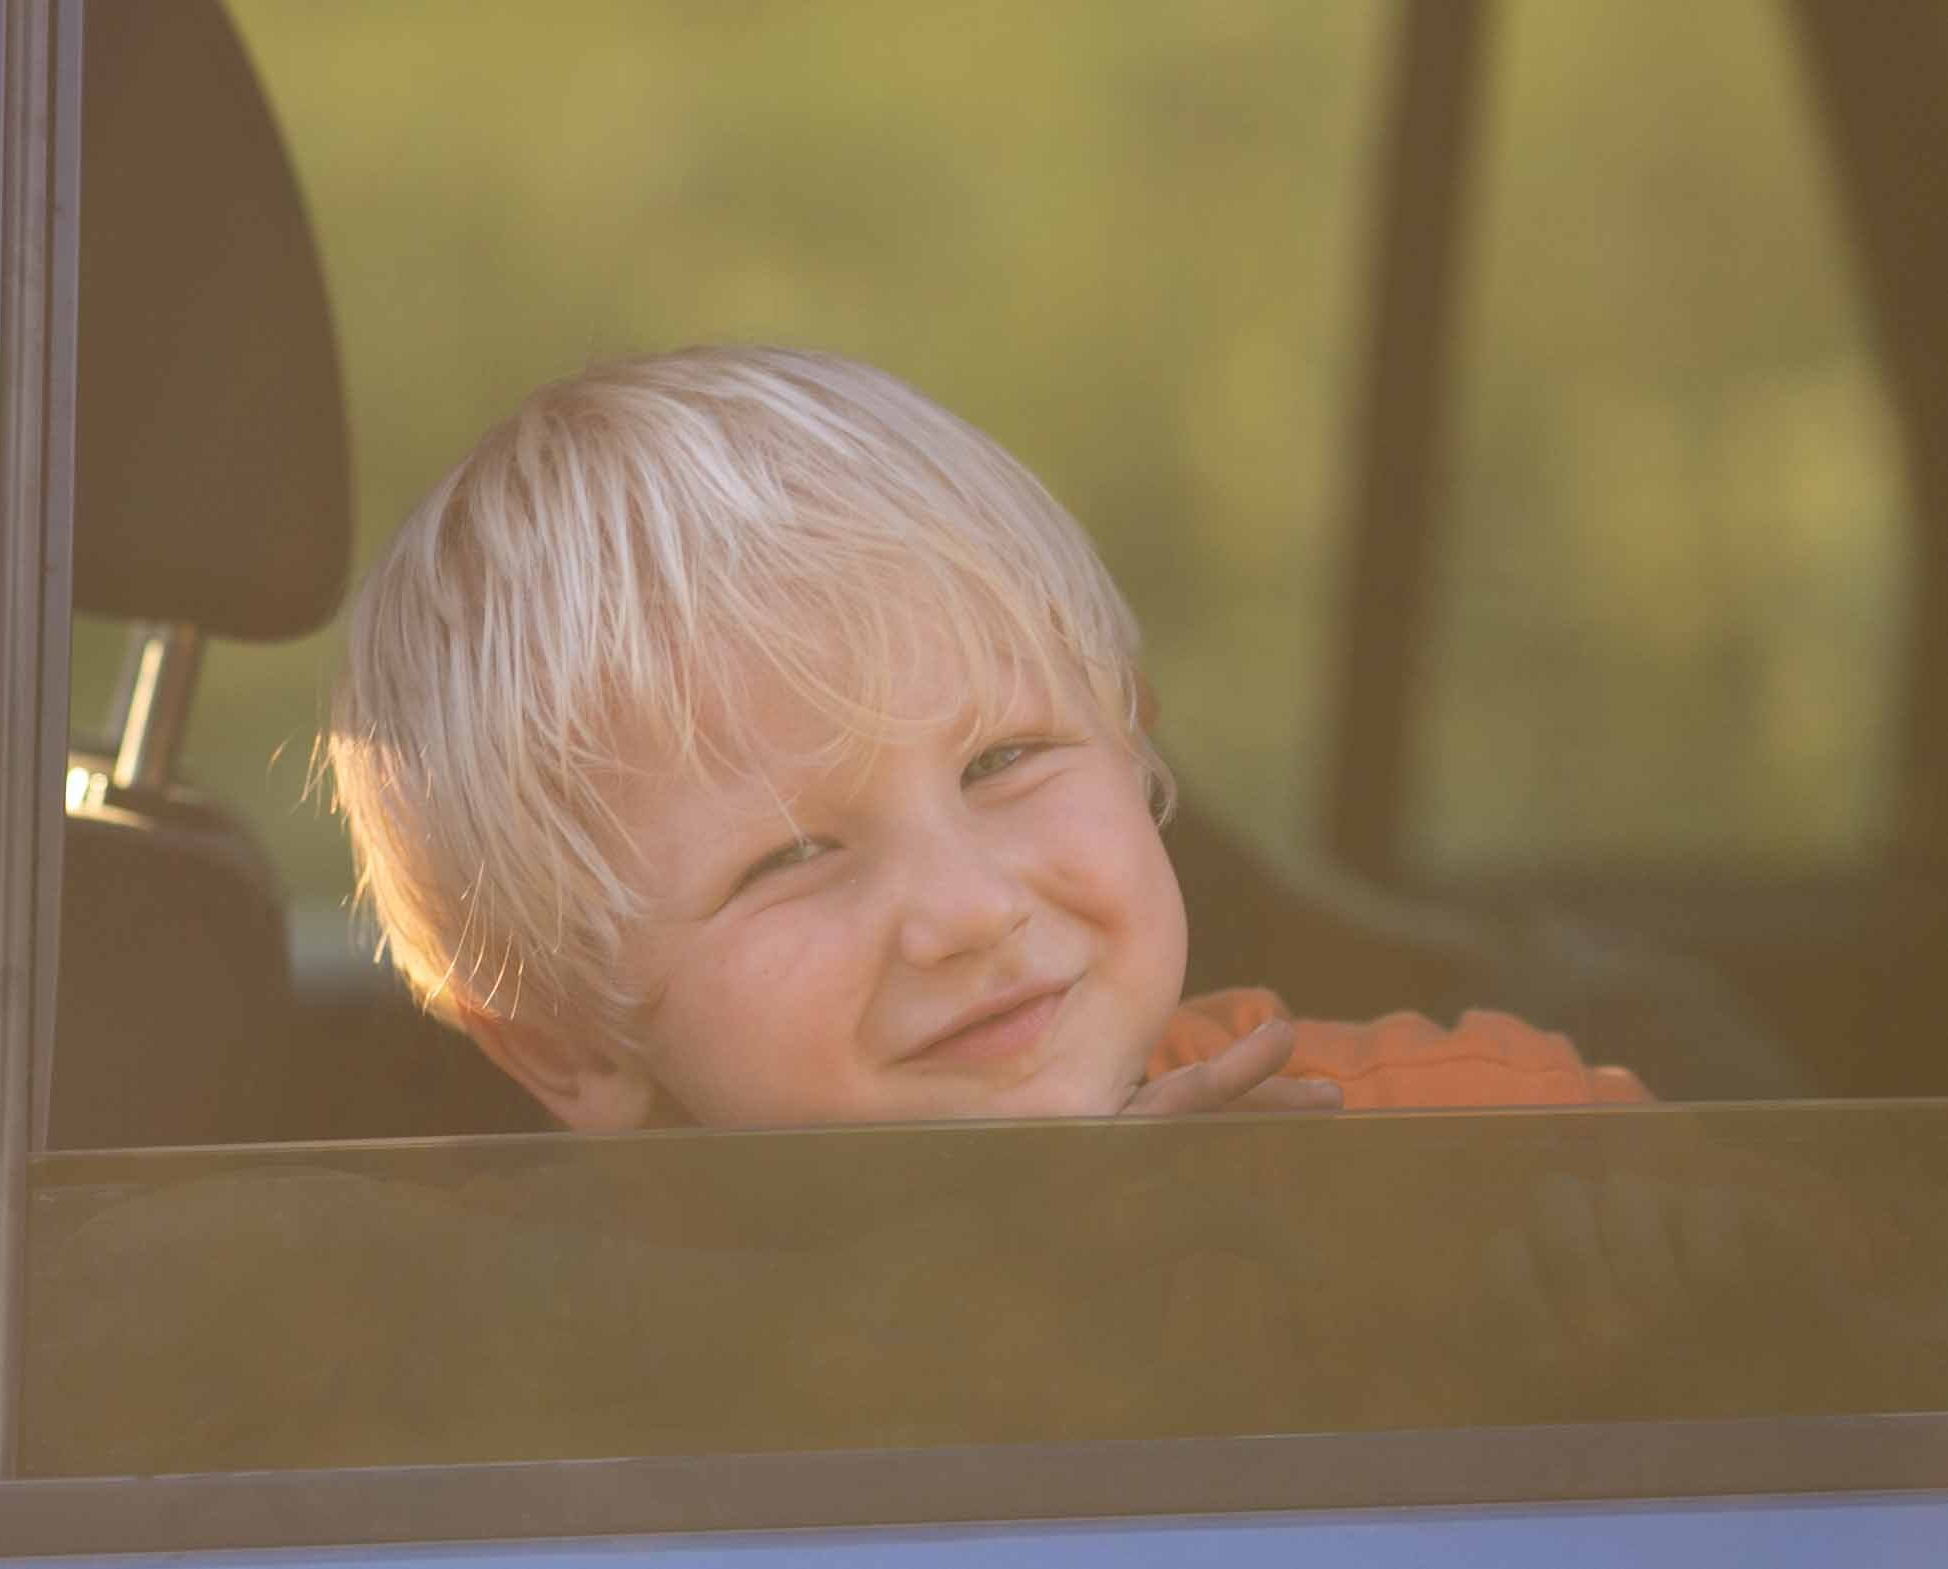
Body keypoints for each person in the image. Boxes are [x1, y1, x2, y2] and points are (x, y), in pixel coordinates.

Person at [327, 346, 1646, 1129]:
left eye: (1001, 761)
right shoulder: (591, 1384)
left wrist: (1630, 1254)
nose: (962, 912)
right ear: (571, 1042)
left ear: (1133, 744)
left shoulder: (1449, 1131)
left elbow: (1827, 1332)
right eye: (787, 855)